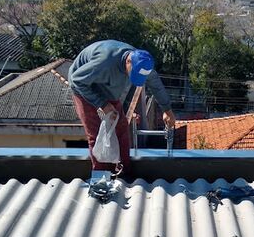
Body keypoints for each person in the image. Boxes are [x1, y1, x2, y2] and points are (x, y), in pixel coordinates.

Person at [68, 39, 175, 173]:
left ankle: (124, 172)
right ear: (128, 62)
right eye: (133, 74)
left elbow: (156, 85)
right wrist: (102, 104)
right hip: (83, 87)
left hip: (107, 88)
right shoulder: (104, 63)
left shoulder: (143, 64)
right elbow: (77, 80)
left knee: (121, 128)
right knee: (96, 133)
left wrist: (167, 110)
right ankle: (100, 177)